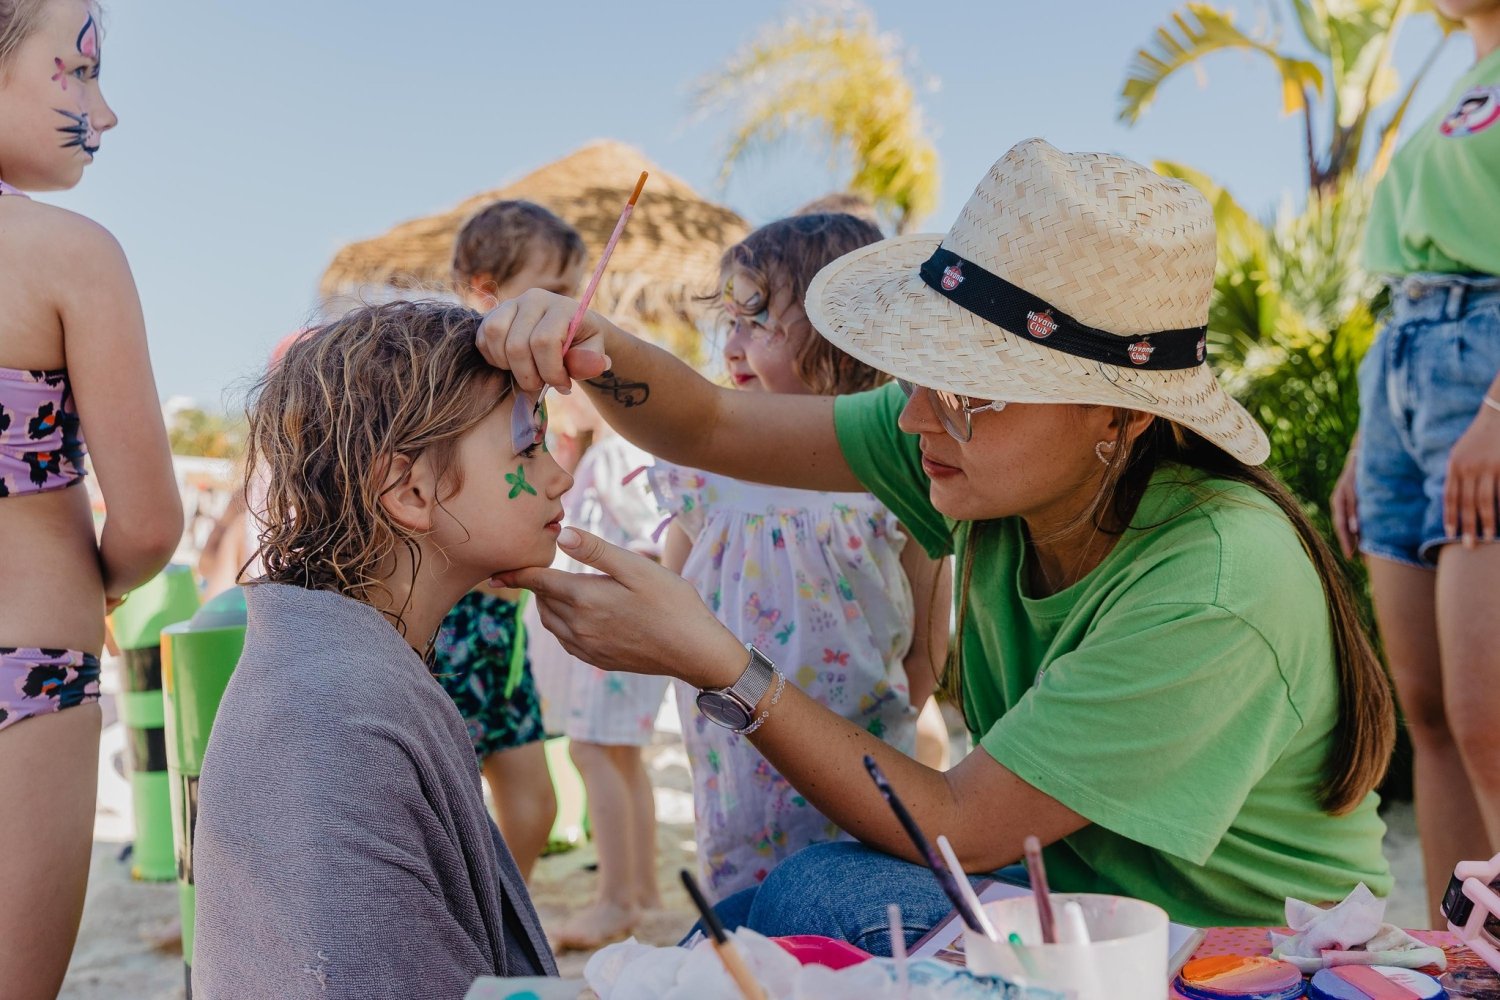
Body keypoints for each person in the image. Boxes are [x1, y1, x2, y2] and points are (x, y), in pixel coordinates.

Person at [478, 139, 1397, 946]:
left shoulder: (1215, 581)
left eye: (969, 388)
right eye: (922, 373)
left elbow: (958, 822)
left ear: (1116, 415)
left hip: (1240, 961)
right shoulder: (990, 458)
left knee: (812, 893)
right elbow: (714, 424)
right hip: (1067, 906)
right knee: (782, 902)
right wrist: (589, 338)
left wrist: (719, 663)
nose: (915, 414)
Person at [193, 302, 562, 997]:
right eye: (528, 449)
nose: (559, 477)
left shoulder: (345, 663)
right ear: (410, 489)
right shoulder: (334, 716)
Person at [652, 213, 950, 903]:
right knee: (751, 899)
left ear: (841, 330)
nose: (732, 346)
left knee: (869, 888)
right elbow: (673, 597)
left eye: (757, 325)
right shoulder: (703, 474)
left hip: (868, 739)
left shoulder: (893, 469)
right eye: (727, 325)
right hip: (739, 754)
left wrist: (912, 691)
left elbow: (929, 610)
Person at [0, 2, 181, 995]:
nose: (104, 114)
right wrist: (101, 586)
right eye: (79, 72)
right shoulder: (71, 254)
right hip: (29, 650)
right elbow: (150, 522)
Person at [1331, 0, 1500, 927]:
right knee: (1428, 716)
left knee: (1489, 721)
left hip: (1488, 360)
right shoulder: (1455, 84)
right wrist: (1367, 439)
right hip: (1400, 360)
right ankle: (1461, 962)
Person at [431, 200, 587, 880]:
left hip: (504, 631)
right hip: (450, 628)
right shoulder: (450, 380)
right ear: (485, 291)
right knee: (450, 808)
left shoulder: (535, 378)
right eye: (552, 289)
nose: (572, 307)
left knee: (533, 805)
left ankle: (497, 922)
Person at [548, 393, 671, 951]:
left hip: (621, 620)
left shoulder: (613, 456)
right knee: (620, 753)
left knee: (594, 748)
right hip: (633, 620)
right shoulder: (611, 455)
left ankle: (617, 899)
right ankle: (641, 891)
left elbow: (654, 538)